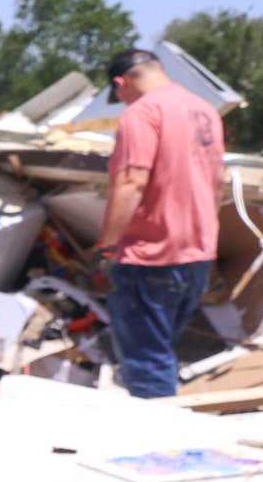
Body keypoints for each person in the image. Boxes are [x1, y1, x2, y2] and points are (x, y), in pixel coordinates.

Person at [96, 47, 226, 400]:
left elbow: (132, 183)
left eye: (118, 95)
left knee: (146, 360)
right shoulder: (205, 110)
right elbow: (217, 181)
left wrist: (106, 245)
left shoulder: (142, 113)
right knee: (161, 349)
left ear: (121, 82)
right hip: (196, 254)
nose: (121, 102)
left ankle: (154, 446)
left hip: (150, 255)